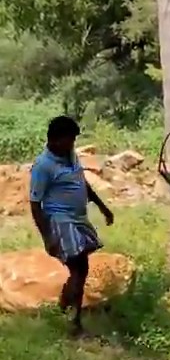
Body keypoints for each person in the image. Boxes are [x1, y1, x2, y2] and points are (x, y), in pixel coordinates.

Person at [29, 115, 114, 337]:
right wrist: (48, 237)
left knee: (80, 268)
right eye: (69, 140)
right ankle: (74, 325)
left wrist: (102, 207)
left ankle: (64, 305)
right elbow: (35, 204)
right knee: (79, 267)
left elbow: (82, 183)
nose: (72, 144)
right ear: (55, 140)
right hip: (60, 220)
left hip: (78, 218)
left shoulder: (70, 155)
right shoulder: (43, 166)